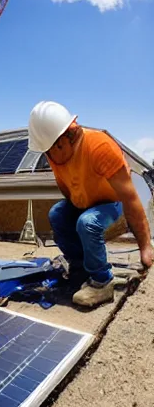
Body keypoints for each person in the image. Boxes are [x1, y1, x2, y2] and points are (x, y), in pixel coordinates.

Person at [28, 101, 153, 307]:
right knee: (57, 214)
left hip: (112, 205)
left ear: (63, 140)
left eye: (48, 151)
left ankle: (102, 282)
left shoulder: (100, 147)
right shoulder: (56, 152)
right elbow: (67, 190)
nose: (47, 157)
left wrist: (145, 247)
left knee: (87, 222)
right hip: (84, 204)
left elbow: (131, 200)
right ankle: (80, 269)